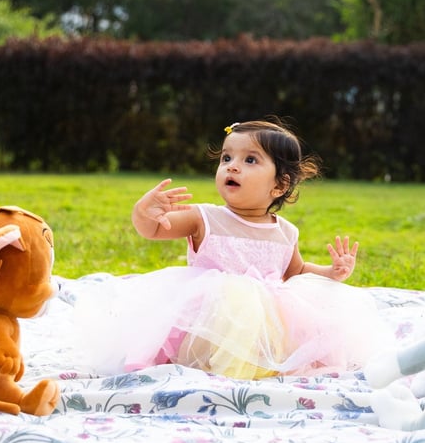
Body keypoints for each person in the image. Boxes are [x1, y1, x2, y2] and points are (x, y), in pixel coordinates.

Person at [72, 119, 393, 379]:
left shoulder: (285, 231)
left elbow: (294, 272)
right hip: (209, 322)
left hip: (266, 327)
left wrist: (330, 272)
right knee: (231, 314)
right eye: (227, 158)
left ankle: (267, 363)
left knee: (296, 332)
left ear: (280, 185)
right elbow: (154, 230)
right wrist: (144, 213)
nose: (232, 167)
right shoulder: (204, 218)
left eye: (249, 160)